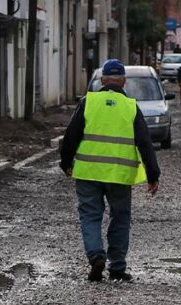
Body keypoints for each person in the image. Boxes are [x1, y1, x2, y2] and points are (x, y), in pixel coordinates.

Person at [59, 59, 161, 282]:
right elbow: (145, 143)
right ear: (123, 82)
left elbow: (71, 136)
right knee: (120, 218)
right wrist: (152, 176)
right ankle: (117, 267)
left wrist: (65, 162)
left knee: (90, 215)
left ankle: (96, 256)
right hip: (119, 175)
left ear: (102, 80)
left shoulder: (89, 102)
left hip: (88, 172)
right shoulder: (131, 107)